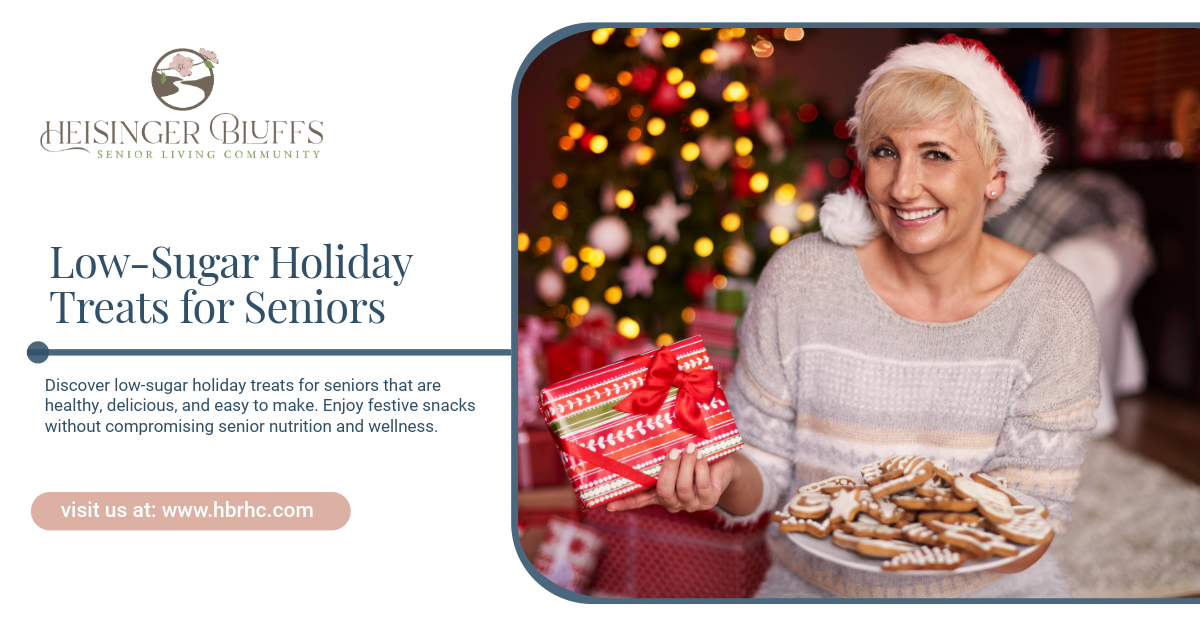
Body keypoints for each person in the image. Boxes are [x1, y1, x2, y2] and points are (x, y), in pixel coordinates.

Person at [607, 34, 1100, 598]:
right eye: (884, 151)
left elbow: (1032, 522)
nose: (902, 186)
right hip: (812, 591)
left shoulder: (1052, 306)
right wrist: (720, 478)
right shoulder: (801, 277)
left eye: (936, 153)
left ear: (997, 172)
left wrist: (885, 531)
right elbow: (760, 471)